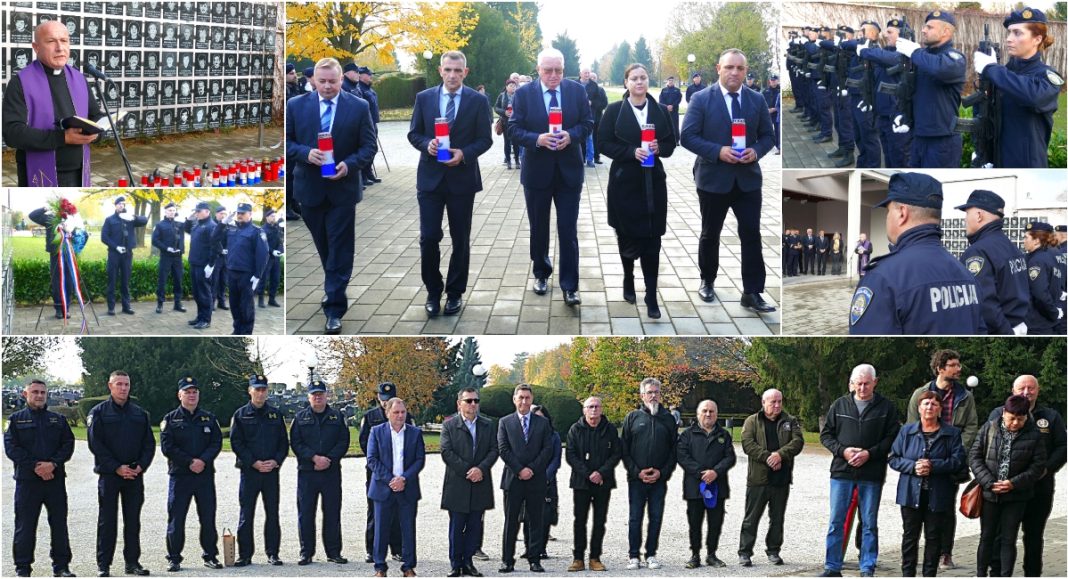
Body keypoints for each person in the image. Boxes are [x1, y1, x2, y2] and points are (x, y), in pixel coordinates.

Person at [286, 57, 378, 334]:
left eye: (332, 81)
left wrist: (349, 165)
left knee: (340, 247)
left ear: (341, 80)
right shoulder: (296, 105)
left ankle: (335, 307)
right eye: (322, 81)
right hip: (309, 190)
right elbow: (287, 142)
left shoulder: (358, 106)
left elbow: (369, 146)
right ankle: (333, 284)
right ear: (313, 79)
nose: (327, 86)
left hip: (343, 190)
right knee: (325, 247)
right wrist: (305, 153)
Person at [680, 49, 777, 313]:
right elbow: (687, 136)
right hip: (713, 179)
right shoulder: (701, 99)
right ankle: (707, 281)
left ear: (746, 72)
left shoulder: (756, 100)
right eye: (729, 67)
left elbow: (768, 136)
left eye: (740, 68)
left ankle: (752, 292)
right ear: (718, 68)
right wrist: (717, 151)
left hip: (747, 181)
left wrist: (756, 151)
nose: (735, 72)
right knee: (710, 234)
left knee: (751, 234)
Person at [407, 50, 493, 318]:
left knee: (461, 239)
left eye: (458, 70)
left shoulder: (478, 101)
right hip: (430, 180)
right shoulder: (424, 98)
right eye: (448, 70)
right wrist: (427, 144)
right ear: (440, 71)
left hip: (462, 180)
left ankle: (455, 293)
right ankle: (433, 290)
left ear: (465, 72)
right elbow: (414, 133)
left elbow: (485, 139)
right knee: (429, 237)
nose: (453, 75)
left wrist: (464, 154)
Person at [507, 47, 594, 307]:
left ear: (564, 70)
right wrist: (537, 139)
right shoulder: (523, 94)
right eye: (548, 70)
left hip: (569, 172)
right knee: (539, 228)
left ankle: (570, 286)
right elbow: (513, 128)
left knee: (568, 230)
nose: (553, 75)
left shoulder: (577, 91)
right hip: (537, 173)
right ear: (538, 70)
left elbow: (589, 123)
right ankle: (541, 273)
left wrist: (572, 135)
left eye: (558, 70)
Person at [849, 173, 982, 334]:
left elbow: (866, 337)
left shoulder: (882, 278)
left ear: (902, 213)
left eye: (888, 211)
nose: (887, 218)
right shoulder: (966, 273)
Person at [598, 63, 677, 319]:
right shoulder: (613, 111)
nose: (639, 82)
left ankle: (652, 295)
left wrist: (658, 148)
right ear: (626, 83)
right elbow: (603, 143)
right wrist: (631, 152)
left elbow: (670, 143)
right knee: (627, 237)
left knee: (653, 241)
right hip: (625, 183)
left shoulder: (659, 110)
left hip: (653, 183)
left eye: (643, 78)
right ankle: (628, 277)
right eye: (634, 78)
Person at [818, 364, 901, 578]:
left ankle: (867, 567)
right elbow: (826, 435)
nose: (862, 388)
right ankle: (832, 566)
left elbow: (892, 438)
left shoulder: (886, 408)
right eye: (858, 384)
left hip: (871, 473)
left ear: (875, 382)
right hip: (841, 473)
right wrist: (843, 451)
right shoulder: (839, 405)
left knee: (869, 522)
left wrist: (870, 454)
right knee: (836, 521)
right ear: (851, 384)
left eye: (866, 384)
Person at [2, 21, 103, 187]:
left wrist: (97, 133)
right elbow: (12, 133)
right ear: (36, 47)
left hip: (80, 172)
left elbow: (95, 116)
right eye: (51, 41)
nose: (60, 48)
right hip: (38, 172)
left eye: (64, 41)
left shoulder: (79, 79)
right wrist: (63, 137)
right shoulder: (21, 82)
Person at [985, 375, 1067, 576]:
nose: (1026, 392)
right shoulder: (997, 414)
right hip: (1006, 490)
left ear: (1038, 391)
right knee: (1001, 537)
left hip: (1039, 487)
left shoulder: (1050, 417)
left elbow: (1062, 447)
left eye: (1031, 388)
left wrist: (1046, 468)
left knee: (1033, 535)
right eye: (1022, 388)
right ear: (1013, 391)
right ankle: (998, 573)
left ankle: (1032, 573)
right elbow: (987, 448)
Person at [905, 349, 979, 570]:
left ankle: (945, 554)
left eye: (958, 364)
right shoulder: (921, 393)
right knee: (916, 508)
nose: (959, 368)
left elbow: (972, 426)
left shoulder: (965, 396)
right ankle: (913, 554)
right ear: (940, 369)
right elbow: (911, 426)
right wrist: (919, 457)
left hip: (950, 461)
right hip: (923, 459)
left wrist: (957, 450)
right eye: (954, 365)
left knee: (945, 508)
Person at [86, 370, 156, 577]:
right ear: (110, 386)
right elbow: (95, 444)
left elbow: (149, 444)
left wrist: (141, 466)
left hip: (134, 475)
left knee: (133, 521)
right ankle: (104, 565)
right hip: (110, 475)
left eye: (126, 384)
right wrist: (116, 467)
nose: (123, 388)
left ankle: (132, 563)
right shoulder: (98, 413)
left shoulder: (139, 414)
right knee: (107, 521)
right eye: (119, 384)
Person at [4, 379, 76, 578]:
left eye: (43, 392)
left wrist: (52, 464)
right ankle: (23, 568)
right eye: (35, 392)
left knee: (59, 524)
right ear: (25, 395)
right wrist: (36, 466)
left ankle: (61, 567)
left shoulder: (58, 420)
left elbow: (67, 445)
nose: (39, 395)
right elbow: (12, 448)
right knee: (25, 526)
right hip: (28, 482)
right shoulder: (16, 421)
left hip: (54, 480)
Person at [888, 392, 965, 577]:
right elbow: (893, 458)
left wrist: (933, 466)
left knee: (933, 537)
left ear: (940, 409)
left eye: (933, 404)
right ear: (919, 408)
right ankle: (908, 574)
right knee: (909, 537)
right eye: (926, 403)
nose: (929, 407)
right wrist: (913, 466)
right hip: (910, 493)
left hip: (938, 494)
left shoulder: (951, 433)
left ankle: (929, 574)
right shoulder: (906, 431)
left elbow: (958, 461)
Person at [970, 394, 1048, 577]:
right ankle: (981, 574)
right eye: (1012, 418)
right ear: (1004, 413)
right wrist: (989, 482)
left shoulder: (1034, 435)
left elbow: (1038, 467)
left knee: (1008, 539)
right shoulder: (989, 428)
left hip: (1017, 496)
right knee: (987, 537)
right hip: (990, 494)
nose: (1015, 423)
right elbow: (974, 456)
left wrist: (1013, 483)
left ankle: (1005, 575)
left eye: (1020, 419)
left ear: (1026, 417)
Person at [973, 7, 1060, 168]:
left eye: (1017, 33)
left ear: (1037, 39)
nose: (1009, 38)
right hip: (997, 161)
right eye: (1009, 32)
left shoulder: (1046, 76)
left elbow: (1033, 96)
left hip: (1027, 164)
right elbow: (985, 115)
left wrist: (992, 69)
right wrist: (982, 151)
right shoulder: (1002, 74)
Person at [159, 376, 223, 572]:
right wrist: (189, 462)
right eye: (187, 391)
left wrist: (202, 460)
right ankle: (174, 558)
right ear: (180, 395)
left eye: (195, 391)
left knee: (207, 516)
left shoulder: (209, 418)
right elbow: (167, 447)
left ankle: (210, 555)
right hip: (180, 475)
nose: (192, 395)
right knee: (177, 518)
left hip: (204, 475)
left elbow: (216, 443)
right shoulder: (170, 419)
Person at [737, 388, 804, 568]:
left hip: (781, 480)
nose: (776, 405)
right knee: (751, 518)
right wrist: (768, 457)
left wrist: (780, 455)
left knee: (777, 518)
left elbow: (798, 442)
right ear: (763, 403)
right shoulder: (752, 421)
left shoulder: (790, 421)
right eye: (772, 402)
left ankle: (773, 551)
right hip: (758, 479)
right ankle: (745, 552)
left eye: (779, 401)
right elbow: (747, 444)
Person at [890, 10, 966, 168]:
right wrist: (905, 115)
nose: (923, 30)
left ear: (946, 31)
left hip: (942, 141)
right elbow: (910, 90)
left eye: (929, 27)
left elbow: (940, 69)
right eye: (924, 27)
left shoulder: (954, 57)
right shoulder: (921, 56)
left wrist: (915, 52)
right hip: (919, 137)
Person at [229, 374, 289, 567]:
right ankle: (245, 554)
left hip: (271, 472)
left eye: (264, 389)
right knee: (247, 514)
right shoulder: (240, 414)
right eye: (257, 389)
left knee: (272, 513)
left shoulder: (275, 415)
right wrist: (253, 462)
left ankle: (273, 553)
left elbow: (283, 443)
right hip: (250, 472)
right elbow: (236, 443)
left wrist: (275, 461)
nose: (261, 393)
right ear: (250, 391)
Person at [289, 379, 350, 566]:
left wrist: (328, 459)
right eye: (314, 394)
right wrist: (314, 458)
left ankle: (333, 552)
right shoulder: (300, 418)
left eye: (321, 394)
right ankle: (306, 552)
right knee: (306, 513)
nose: (318, 397)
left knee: (332, 512)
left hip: (330, 472)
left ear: (326, 395)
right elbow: (296, 443)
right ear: (309, 397)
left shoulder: (337, 417)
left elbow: (343, 441)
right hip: (308, 472)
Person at [440, 387, 499, 578]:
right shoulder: (449, 425)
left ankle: (468, 562)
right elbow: (446, 452)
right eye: (468, 401)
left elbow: (494, 450)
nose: (473, 404)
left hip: (480, 482)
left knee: (475, 525)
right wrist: (468, 470)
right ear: (459, 404)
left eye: (475, 400)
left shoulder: (488, 425)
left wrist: (480, 469)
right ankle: (455, 564)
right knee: (457, 526)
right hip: (458, 483)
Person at [620, 378, 678, 570]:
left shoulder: (669, 419)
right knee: (635, 517)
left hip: (659, 480)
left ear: (660, 394)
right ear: (642, 395)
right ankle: (634, 555)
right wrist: (637, 472)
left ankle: (651, 554)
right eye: (649, 392)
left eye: (656, 392)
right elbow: (624, 449)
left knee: (656, 516)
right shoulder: (632, 417)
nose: (653, 396)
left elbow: (674, 451)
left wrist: (662, 472)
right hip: (637, 479)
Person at [955, 190, 1030, 335]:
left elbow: (985, 306)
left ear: (978, 215)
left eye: (967, 213)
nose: (965, 219)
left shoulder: (978, 252)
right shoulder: (1011, 246)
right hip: (1018, 326)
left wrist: (1006, 334)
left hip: (1000, 331)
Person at [497, 384, 554, 573]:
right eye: (520, 397)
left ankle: (534, 558)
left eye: (527, 398)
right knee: (511, 521)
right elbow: (503, 449)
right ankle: (507, 560)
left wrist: (531, 469)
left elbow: (547, 449)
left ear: (532, 399)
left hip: (535, 479)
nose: (524, 401)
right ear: (514, 399)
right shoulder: (505, 422)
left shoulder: (542, 423)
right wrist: (520, 469)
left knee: (535, 520)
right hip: (513, 479)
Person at [367, 398, 426, 578]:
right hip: (383, 488)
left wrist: (404, 479)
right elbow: (372, 459)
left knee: (408, 529)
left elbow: (419, 459)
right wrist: (391, 480)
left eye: (403, 412)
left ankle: (408, 566)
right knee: (381, 529)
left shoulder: (415, 433)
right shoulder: (376, 432)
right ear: (388, 413)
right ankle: (380, 567)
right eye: (396, 412)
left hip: (407, 488)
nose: (400, 416)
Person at [359, 382, 415, 564]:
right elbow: (364, 445)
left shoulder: (406, 417)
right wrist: (384, 472)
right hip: (377, 474)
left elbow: (412, 448)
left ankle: (397, 550)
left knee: (399, 513)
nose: (385, 403)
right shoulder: (370, 417)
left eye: (388, 399)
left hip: (401, 476)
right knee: (374, 513)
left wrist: (400, 476)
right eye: (383, 399)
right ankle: (372, 549)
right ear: (378, 398)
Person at [565, 396, 621, 573]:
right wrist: (588, 474)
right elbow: (571, 455)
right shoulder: (575, 429)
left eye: (597, 406)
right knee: (579, 521)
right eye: (590, 407)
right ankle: (578, 558)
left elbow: (616, 454)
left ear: (602, 409)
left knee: (599, 521)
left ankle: (595, 557)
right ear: (584, 410)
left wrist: (601, 473)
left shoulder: (610, 429)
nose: (594, 410)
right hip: (581, 482)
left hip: (603, 482)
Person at [677, 400, 736, 569]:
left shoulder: (724, 435)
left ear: (716, 414)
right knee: (695, 522)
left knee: (715, 522)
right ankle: (695, 555)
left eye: (711, 411)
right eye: (705, 411)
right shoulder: (687, 434)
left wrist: (715, 472)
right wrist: (702, 473)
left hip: (718, 486)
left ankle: (712, 554)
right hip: (694, 487)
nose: (708, 414)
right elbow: (682, 456)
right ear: (698, 414)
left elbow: (730, 457)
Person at [522, 405, 561, 560]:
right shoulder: (528, 435)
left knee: (544, 515)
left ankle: (541, 548)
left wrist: (545, 476)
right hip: (529, 478)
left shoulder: (554, 436)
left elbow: (556, 459)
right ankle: (528, 547)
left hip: (547, 480)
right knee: (527, 515)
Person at [101, 196, 149, 316]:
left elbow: (144, 221)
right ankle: (111, 308)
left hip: (127, 254)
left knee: (125, 281)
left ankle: (126, 307)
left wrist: (133, 217)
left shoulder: (129, 219)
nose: (122, 206)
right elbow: (104, 237)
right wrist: (116, 246)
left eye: (123, 204)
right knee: (112, 281)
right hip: (114, 254)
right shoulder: (109, 220)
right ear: (115, 205)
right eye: (119, 204)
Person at [225, 203, 269, 335]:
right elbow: (216, 239)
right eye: (238, 213)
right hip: (232, 271)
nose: (239, 216)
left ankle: (246, 331)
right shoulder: (232, 229)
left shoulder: (256, 231)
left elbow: (263, 254)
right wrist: (223, 223)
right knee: (234, 304)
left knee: (246, 305)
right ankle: (237, 329)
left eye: (243, 213)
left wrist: (257, 275)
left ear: (250, 214)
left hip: (246, 274)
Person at [27, 206, 75, 319]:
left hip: (69, 254)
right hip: (55, 254)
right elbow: (32, 216)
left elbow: (79, 234)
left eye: (64, 207)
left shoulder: (71, 219)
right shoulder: (50, 218)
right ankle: (58, 309)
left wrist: (69, 231)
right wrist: (44, 208)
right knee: (56, 282)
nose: (61, 210)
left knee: (69, 282)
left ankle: (66, 309)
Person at [1021, 221, 1064, 335]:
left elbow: (1040, 294)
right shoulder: (1050, 256)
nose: (1023, 241)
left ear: (1036, 241)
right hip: (1047, 320)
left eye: (1026, 237)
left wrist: (1053, 312)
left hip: (1037, 323)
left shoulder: (1037, 260)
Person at [184, 202, 217, 329]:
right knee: (197, 293)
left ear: (207, 212)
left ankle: (206, 320)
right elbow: (187, 229)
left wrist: (211, 265)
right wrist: (189, 218)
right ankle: (200, 316)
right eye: (196, 211)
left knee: (204, 293)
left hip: (203, 265)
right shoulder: (198, 224)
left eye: (199, 211)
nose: (196, 213)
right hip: (194, 262)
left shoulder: (211, 226)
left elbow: (215, 248)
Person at [151, 202, 187, 315]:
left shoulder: (180, 223)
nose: (172, 212)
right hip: (166, 256)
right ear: (165, 212)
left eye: (173, 210)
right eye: (170, 210)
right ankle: (160, 304)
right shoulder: (160, 225)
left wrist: (180, 249)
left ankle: (178, 304)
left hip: (178, 257)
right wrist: (166, 248)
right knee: (162, 281)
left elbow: (188, 228)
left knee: (178, 280)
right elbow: (155, 240)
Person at [258, 209, 284, 308]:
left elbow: (280, 240)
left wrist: (280, 250)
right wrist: (272, 251)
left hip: (275, 258)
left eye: (275, 216)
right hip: (266, 258)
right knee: (264, 279)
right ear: (267, 217)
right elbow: (264, 244)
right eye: (272, 216)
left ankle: (272, 299)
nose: (274, 217)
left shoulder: (277, 227)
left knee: (275, 279)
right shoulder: (263, 229)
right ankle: (260, 299)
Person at [494, 79, 520, 169]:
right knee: (507, 142)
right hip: (505, 122)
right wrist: (504, 112)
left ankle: (517, 160)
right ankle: (508, 160)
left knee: (516, 142)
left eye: (514, 86)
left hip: (516, 123)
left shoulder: (519, 95)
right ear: (506, 87)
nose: (513, 87)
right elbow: (496, 108)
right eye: (511, 86)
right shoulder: (502, 96)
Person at [587, 71, 608, 165]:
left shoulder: (600, 90)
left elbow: (604, 103)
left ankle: (596, 157)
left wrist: (593, 104)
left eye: (594, 78)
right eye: (590, 78)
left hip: (598, 118)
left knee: (596, 138)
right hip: (587, 118)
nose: (592, 80)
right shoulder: (584, 89)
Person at [660, 76, 683, 145]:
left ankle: (676, 140)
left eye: (672, 80)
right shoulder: (663, 90)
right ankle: (666, 140)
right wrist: (666, 106)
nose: (670, 82)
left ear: (674, 82)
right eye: (669, 80)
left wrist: (673, 105)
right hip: (666, 111)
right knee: (666, 125)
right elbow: (661, 100)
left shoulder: (677, 90)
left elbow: (679, 99)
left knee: (675, 125)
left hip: (674, 110)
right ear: (667, 81)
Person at [761, 74, 780, 152]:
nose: (773, 82)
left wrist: (775, 109)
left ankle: (779, 147)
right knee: (765, 130)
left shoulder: (780, 90)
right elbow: (761, 102)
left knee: (777, 131)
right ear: (769, 81)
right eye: (771, 80)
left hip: (776, 114)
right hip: (767, 114)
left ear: (778, 81)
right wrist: (766, 110)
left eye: (774, 80)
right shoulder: (765, 91)